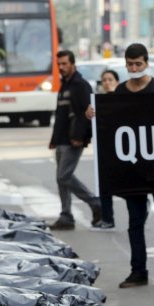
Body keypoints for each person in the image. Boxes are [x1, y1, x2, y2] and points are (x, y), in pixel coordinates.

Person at [87, 44, 154, 288]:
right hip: (133, 170)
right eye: (130, 64)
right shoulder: (120, 93)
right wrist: (94, 114)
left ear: (146, 63)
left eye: (138, 64)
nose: (134, 68)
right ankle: (139, 271)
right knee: (135, 221)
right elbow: (110, 126)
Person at [47, 49, 102, 231]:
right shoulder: (65, 85)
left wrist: (80, 137)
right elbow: (61, 115)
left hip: (73, 141)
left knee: (64, 176)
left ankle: (95, 202)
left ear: (73, 64)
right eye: (59, 64)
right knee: (60, 179)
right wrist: (54, 139)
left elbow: (86, 113)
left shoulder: (80, 85)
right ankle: (66, 216)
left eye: (64, 64)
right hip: (62, 140)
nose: (61, 67)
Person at [94, 69, 120, 230]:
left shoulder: (123, 99)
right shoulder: (98, 102)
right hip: (105, 148)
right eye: (104, 80)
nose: (107, 82)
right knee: (105, 184)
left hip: (123, 148)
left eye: (110, 79)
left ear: (117, 82)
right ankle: (107, 218)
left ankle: (142, 204)